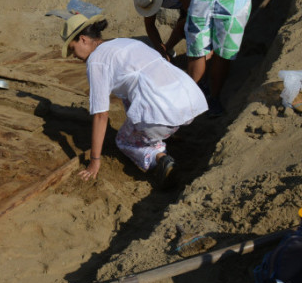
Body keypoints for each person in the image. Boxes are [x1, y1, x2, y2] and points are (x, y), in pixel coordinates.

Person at [61, 13, 207, 188]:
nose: (73, 55)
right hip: (187, 101)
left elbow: (101, 115)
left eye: (73, 48)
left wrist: (94, 160)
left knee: (123, 141)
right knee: (129, 95)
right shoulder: (123, 42)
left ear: (83, 39)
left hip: (163, 114)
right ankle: (163, 133)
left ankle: (159, 157)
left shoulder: (96, 61)